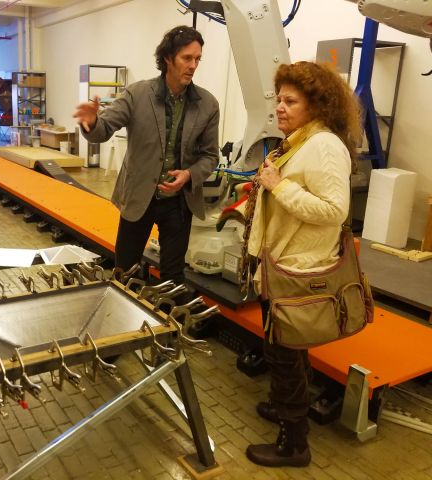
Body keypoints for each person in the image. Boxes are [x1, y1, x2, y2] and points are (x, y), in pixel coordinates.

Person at [244, 61, 362, 467]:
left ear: (317, 105)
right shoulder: (298, 141)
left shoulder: (325, 146)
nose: (280, 107)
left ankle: (294, 444)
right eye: (279, 99)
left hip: (297, 271)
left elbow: (333, 210)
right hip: (279, 265)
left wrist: (280, 186)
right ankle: (283, 407)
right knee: (282, 351)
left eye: (290, 101)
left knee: (286, 355)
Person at [73, 25, 220, 286]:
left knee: (173, 278)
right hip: (140, 196)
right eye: (187, 58)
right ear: (167, 58)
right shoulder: (137, 94)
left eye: (198, 59)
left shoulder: (207, 104)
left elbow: (210, 156)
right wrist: (92, 122)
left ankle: (166, 323)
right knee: (125, 270)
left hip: (179, 202)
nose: (193, 65)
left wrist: (189, 174)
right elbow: (103, 130)